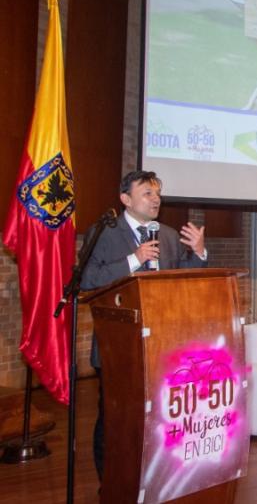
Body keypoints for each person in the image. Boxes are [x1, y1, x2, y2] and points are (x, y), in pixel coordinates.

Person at [82, 170, 208, 482]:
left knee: (156, 418)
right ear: (126, 199)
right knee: (115, 421)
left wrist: (199, 252)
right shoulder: (104, 232)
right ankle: (110, 485)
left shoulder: (165, 234)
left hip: (162, 342)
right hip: (118, 346)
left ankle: (152, 481)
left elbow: (182, 278)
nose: (156, 200)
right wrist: (134, 259)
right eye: (147, 193)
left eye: (158, 193)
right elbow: (87, 280)